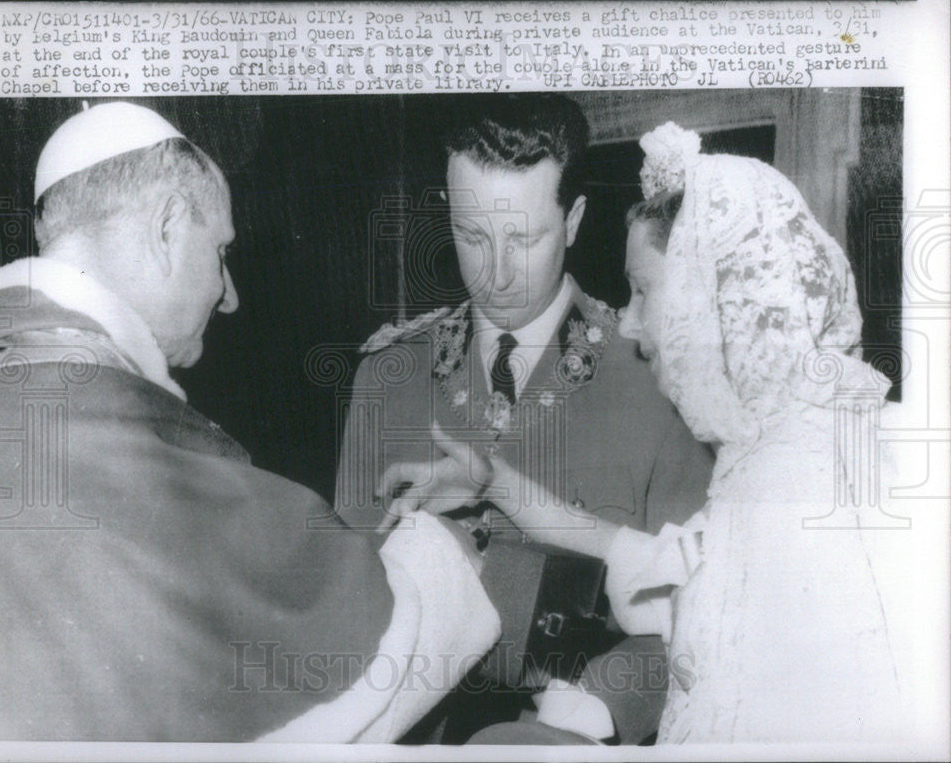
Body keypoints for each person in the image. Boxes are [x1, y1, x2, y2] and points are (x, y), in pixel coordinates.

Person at [0, 101, 500, 742]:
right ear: (168, 227)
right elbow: (326, 672)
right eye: (221, 251)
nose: (230, 295)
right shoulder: (97, 418)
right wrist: (448, 546)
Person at [389, 121, 911, 743]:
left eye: (644, 291)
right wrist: (496, 482)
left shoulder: (810, 487)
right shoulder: (767, 461)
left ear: (711, 300)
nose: (631, 325)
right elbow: (649, 560)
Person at [334, 95, 714, 743]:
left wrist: (598, 706)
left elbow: (699, 615)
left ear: (573, 220)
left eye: (525, 238)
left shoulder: (658, 378)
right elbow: (345, 605)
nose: (497, 274)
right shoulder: (387, 376)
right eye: (471, 237)